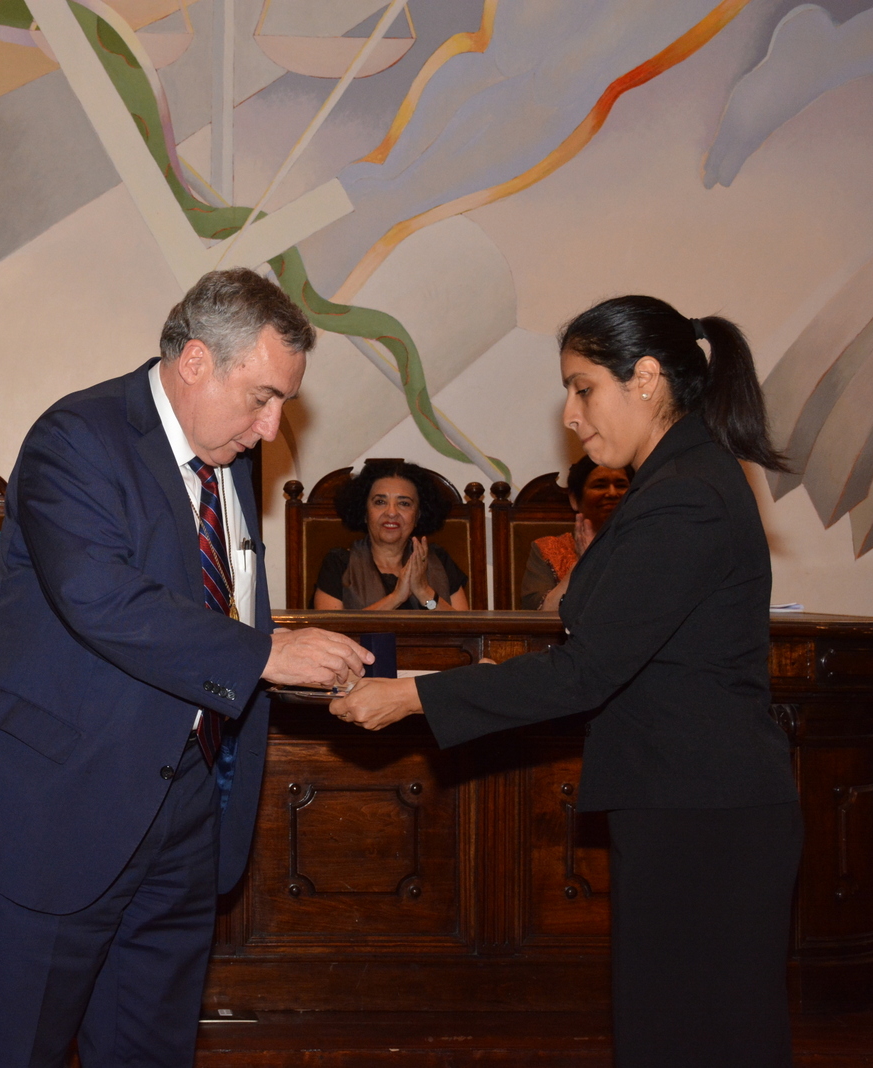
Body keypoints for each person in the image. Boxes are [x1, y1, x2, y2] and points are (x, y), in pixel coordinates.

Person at [330, 295, 801, 1068]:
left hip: (703, 815)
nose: (572, 415)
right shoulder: (676, 479)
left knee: (699, 1039)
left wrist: (412, 696)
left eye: (583, 388)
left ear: (645, 378)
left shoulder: (685, 492)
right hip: (686, 802)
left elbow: (590, 670)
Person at [0, 268, 373, 1067]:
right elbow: (101, 598)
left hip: (185, 808)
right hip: (57, 808)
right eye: (263, 397)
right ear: (196, 361)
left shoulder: (229, 454)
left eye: (284, 404)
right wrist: (267, 653)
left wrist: (285, 652)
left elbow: (216, 602)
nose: (273, 427)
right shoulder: (77, 437)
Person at [312, 458, 469, 611]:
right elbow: (332, 626)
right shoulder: (339, 564)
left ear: (418, 515)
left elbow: (463, 627)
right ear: (365, 512)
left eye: (404, 503)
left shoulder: (439, 561)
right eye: (380, 502)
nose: (392, 512)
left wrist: (424, 593)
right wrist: (396, 597)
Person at [519, 457, 631, 609]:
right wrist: (582, 564)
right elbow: (538, 613)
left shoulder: (646, 544)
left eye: (621, 485)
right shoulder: (548, 549)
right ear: (574, 499)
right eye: (600, 486)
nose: (612, 493)